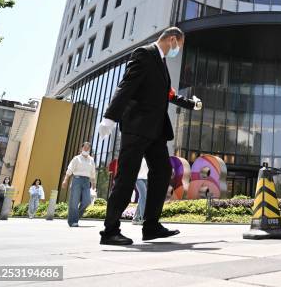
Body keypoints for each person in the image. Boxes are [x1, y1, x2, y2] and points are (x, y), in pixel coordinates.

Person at [97, 27, 202, 245]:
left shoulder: (161, 63)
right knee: (126, 176)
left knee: (163, 171)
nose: (178, 50)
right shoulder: (144, 54)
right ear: (172, 39)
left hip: (155, 131)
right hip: (137, 128)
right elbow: (126, 85)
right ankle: (110, 231)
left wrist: (191, 104)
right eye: (179, 46)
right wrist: (109, 118)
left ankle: (151, 226)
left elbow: (168, 94)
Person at [62, 143, 96, 226]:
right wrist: (65, 180)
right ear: (81, 148)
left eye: (88, 148)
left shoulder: (91, 160)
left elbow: (93, 173)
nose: (86, 149)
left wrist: (93, 183)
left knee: (87, 201)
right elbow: (70, 170)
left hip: (86, 181)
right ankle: (73, 221)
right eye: (85, 147)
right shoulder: (76, 158)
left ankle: (75, 218)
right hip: (77, 180)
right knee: (74, 201)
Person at [132, 158, 149, 225]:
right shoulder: (138, 154)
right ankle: (143, 218)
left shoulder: (147, 156)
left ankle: (135, 219)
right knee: (143, 196)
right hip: (138, 178)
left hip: (146, 178)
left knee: (143, 198)